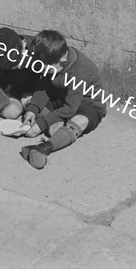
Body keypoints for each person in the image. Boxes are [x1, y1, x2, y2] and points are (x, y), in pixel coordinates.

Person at [20, 30, 106, 169]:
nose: (42, 70)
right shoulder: (51, 59)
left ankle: (43, 148)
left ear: (63, 61)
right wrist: (33, 109)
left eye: (46, 67)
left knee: (80, 121)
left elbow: (70, 108)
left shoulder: (80, 70)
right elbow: (45, 87)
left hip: (86, 104)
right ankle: (58, 130)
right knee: (54, 130)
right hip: (60, 97)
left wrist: (42, 123)